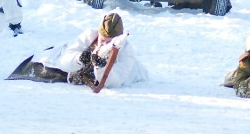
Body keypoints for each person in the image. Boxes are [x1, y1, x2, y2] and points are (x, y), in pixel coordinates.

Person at [8, 12, 147, 93]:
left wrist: (101, 66)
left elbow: (114, 82)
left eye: (109, 42)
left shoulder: (126, 53)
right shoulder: (89, 36)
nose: (105, 44)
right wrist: (79, 59)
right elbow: (64, 60)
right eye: (103, 40)